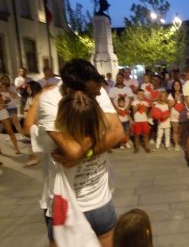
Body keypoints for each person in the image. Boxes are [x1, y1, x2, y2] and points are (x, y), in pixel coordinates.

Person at [26, 59, 125, 246]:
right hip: (62, 201)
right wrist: (99, 127)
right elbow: (72, 152)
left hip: (99, 199)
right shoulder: (49, 101)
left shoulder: (96, 90)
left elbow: (118, 133)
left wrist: (85, 154)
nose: (98, 98)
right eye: (94, 96)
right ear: (74, 92)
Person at [23, 81, 43, 167]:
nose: (27, 89)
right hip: (35, 123)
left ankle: (35, 157)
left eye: (28, 87)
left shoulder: (41, 97)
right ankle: (35, 157)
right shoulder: (30, 99)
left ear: (32, 88)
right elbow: (27, 111)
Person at [0, 76, 21, 154]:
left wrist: (4, 102)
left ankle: (17, 149)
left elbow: (7, 102)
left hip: (2, 112)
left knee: (10, 131)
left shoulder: (5, 92)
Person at [168, 80, 187, 151]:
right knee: (175, 131)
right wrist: (175, 100)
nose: (177, 86)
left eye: (178, 85)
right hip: (174, 116)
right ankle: (176, 144)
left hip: (184, 115)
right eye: (175, 85)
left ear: (181, 86)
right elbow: (169, 107)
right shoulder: (170, 95)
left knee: (184, 131)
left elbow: (187, 104)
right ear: (173, 86)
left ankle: (185, 144)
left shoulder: (184, 94)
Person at [131, 89, 151, 153]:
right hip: (137, 121)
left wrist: (143, 106)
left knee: (146, 135)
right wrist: (138, 106)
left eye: (142, 94)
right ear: (137, 95)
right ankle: (137, 147)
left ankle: (147, 147)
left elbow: (146, 112)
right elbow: (133, 111)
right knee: (137, 135)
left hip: (144, 120)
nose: (141, 95)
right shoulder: (134, 102)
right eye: (139, 94)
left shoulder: (146, 103)